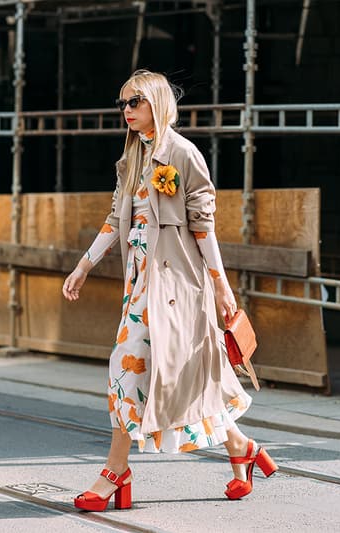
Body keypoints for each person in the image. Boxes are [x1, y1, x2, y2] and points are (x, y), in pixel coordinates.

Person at [62, 69, 277, 512]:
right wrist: (84, 265)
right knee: (180, 378)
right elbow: (115, 216)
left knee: (129, 369)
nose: (127, 110)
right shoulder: (132, 157)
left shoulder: (184, 154)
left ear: (157, 102)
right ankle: (241, 447)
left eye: (135, 102)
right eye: (122, 103)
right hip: (141, 284)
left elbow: (204, 228)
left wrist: (221, 288)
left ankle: (115, 473)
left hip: (179, 288)